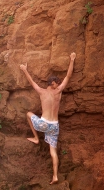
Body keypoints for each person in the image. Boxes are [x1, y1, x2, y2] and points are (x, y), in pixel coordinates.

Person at [19, 52, 76, 185]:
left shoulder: (42, 91)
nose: (59, 84)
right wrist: (71, 60)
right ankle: (55, 175)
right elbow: (69, 76)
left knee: (28, 114)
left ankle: (36, 138)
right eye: (57, 83)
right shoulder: (58, 91)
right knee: (53, 151)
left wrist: (24, 70)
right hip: (54, 126)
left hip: (43, 124)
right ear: (52, 83)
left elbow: (32, 82)